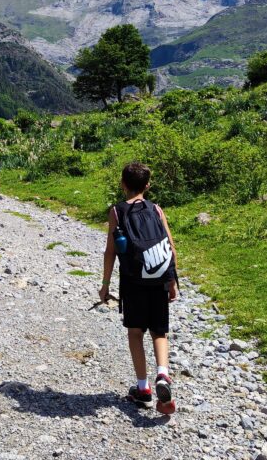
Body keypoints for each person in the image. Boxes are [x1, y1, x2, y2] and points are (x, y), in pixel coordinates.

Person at [99, 162, 179, 415]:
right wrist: (172, 281)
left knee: (135, 332)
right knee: (159, 332)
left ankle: (143, 388)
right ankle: (163, 375)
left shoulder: (117, 212)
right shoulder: (156, 210)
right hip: (157, 278)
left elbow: (110, 251)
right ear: (148, 185)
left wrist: (105, 285)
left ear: (123, 183)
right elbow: (171, 247)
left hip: (133, 281)